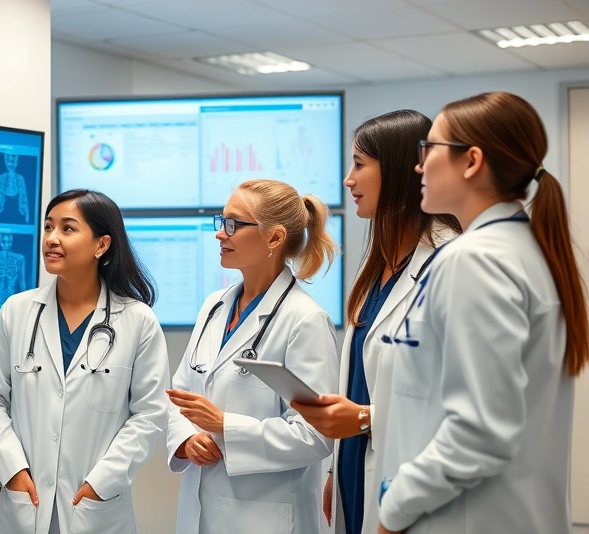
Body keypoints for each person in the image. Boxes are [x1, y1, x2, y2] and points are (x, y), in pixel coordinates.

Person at [377, 92, 589, 534]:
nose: (419, 165)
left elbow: (480, 431)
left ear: (471, 161)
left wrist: (394, 511)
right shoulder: (525, 249)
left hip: (464, 518)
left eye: (428, 149)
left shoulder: (476, 260)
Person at [291, 111, 459, 534]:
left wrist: (366, 418)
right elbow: (360, 378)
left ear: (402, 171)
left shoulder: (451, 262)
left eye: (360, 164)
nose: (348, 179)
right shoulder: (375, 267)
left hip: (411, 476)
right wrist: (333, 470)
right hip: (354, 469)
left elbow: (459, 399)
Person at [0, 188, 170, 534]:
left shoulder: (137, 321)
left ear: (101, 245)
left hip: (95, 506)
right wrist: (13, 470)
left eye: (68, 228)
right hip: (26, 503)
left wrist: (101, 483)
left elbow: (150, 416)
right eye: (48, 227)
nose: (52, 238)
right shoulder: (17, 312)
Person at [166, 179, 340, 534]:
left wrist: (224, 426)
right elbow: (178, 394)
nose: (220, 234)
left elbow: (316, 435)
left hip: (266, 520)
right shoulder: (214, 306)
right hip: (200, 512)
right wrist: (186, 438)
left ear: (274, 238)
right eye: (221, 221)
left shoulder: (305, 320)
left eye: (233, 224)